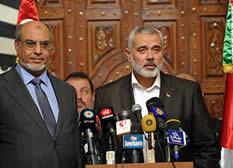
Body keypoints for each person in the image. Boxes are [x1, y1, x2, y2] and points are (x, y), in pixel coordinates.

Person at [94, 26, 220, 167]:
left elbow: (209, 149)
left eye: (156, 49)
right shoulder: (106, 95)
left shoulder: (187, 91)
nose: (150, 56)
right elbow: (99, 149)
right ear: (129, 55)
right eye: (142, 50)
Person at [0, 21, 81, 168]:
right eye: (30, 44)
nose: (38, 51)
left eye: (44, 44)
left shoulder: (67, 91)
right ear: (17, 46)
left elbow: (75, 148)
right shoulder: (2, 88)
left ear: (51, 49)